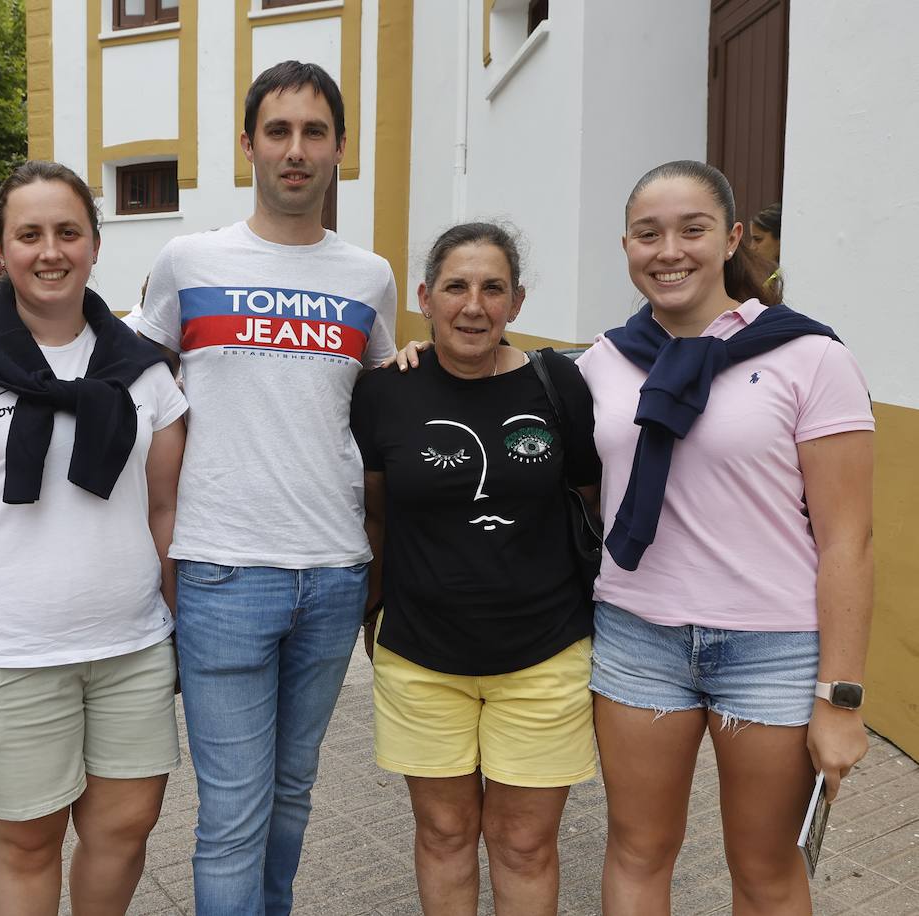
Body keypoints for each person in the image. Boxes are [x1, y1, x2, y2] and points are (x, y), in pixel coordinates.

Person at [135, 60, 397, 914]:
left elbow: (386, 397)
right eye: (278, 131)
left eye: (314, 132)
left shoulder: (370, 276)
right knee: (233, 817)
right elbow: (130, 384)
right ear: (248, 143)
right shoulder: (189, 260)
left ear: (340, 149)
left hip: (333, 573)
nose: (295, 150)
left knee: (292, 799)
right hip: (220, 571)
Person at [580, 161, 873, 915]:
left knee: (766, 872)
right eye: (648, 234)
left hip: (771, 650)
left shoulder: (809, 356)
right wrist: (413, 362)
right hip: (638, 636)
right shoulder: (600, 364)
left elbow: (849, 542)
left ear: (733, 238)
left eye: (693, 229)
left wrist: (839, 699)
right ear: (626, 246)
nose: (668, 250)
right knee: (638, 851)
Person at [0, 160, 186, 916]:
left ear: (94, 244)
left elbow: (165, 512)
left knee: (125, 828)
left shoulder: (145, 374)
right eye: (29, 235)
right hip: (7, 655)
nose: (49, 250)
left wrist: (183, 627)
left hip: (131, 649)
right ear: (1, 248)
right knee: (28, 844)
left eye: (68, 232)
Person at [352, 223, 599, 915]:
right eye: (456, 286)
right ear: (426, 297)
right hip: (422, 658)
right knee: (444, 832)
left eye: (493, 288)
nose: (473, 304)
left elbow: (586, 501)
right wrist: (371, 614)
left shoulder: (561, 387)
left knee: (523, 843)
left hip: (544, 653)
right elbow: (375, 515)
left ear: (516, 302)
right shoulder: (382, 393)